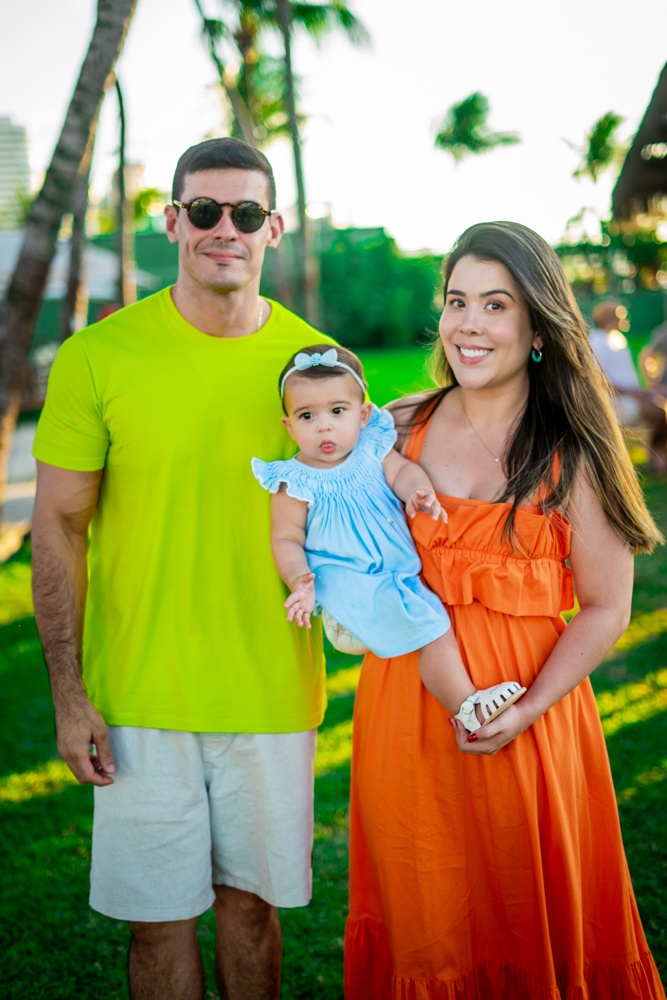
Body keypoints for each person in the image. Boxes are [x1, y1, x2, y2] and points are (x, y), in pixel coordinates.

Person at [31, 138, 336, 1000]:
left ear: (273, 227)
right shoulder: (100, 355)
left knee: (251, 914)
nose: (223, 229)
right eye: (203, 211)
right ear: (172, 221)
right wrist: (68, 690)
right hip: (138, 698)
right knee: (156, 923)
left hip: (270, 692)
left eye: (244, 213)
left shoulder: (318, 367)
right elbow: (57, 526)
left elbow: (358, 512)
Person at [344, 222, 666, 999]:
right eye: (457, 301)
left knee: (524, 912)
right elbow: (340, 542)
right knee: (427, 922)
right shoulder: (395, 428)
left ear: (535, 327)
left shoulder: (574, 448)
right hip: (406, 714)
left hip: (531, 715)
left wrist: (525, 710)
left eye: (495, 304)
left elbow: (604, 607)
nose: (468, 324)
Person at [251, 343, 526, 731]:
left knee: (428, 617)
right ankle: (468, 707)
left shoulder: (370, 449)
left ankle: (355, 626)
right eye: (307, 416)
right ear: (289, 425)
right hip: (345, 576)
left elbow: (402, 473)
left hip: (394, 570)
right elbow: (285, 538)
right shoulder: (294, 481)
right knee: (432, 627)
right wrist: (299, 580)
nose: (324, 425)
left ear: (364, 415)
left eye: (337, 411)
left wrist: (419, 491)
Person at [589, 300, 667, 473]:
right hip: (614, 400)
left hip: (632, 395)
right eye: (620, 317)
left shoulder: (618, 339)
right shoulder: (595, 341)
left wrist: (643, 392)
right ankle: (655, 458)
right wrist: (635, 393)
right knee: (659, 413)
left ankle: (654, 454)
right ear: (609, 319)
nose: (625, 320)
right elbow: (599, 381)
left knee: (661, 407)